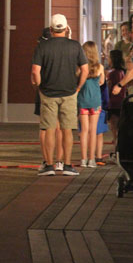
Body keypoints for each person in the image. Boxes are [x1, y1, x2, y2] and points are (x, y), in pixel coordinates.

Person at [31, 14, 88, 176]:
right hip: (69, 92)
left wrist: (40, 86)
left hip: (48, 92)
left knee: (49, 129)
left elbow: (35, 70)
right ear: (66, 28)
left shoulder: (42, 46)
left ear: (51, 29)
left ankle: (49, 165)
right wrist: (78, 87)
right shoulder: (75, 46)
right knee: (67, 129)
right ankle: (67, 165)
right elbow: (85, 69)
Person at [34, 28, 65, 174]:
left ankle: (47, 161)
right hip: (61, 90)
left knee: (45, 128)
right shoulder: (63, 50)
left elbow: (34, 74)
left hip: (44, 91)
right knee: (59, 128)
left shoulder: (40, 51)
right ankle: (59, 161)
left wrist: (40, 86)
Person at [78, 41, 105, 168]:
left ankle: (83, 159)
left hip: (82, 100)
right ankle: (92, 159)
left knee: (84, 131)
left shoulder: (80, 67)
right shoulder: (100, 67)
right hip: (95, 101)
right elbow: (102, 81)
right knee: (93, 131)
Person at [107, 49, 126, 159]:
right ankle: (119, 150)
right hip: (121, 102)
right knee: (120, 128)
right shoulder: (122, 72)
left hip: (113, 103)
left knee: (115, 129)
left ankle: (117, 151)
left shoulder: (112, 73)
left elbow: (109, 89)